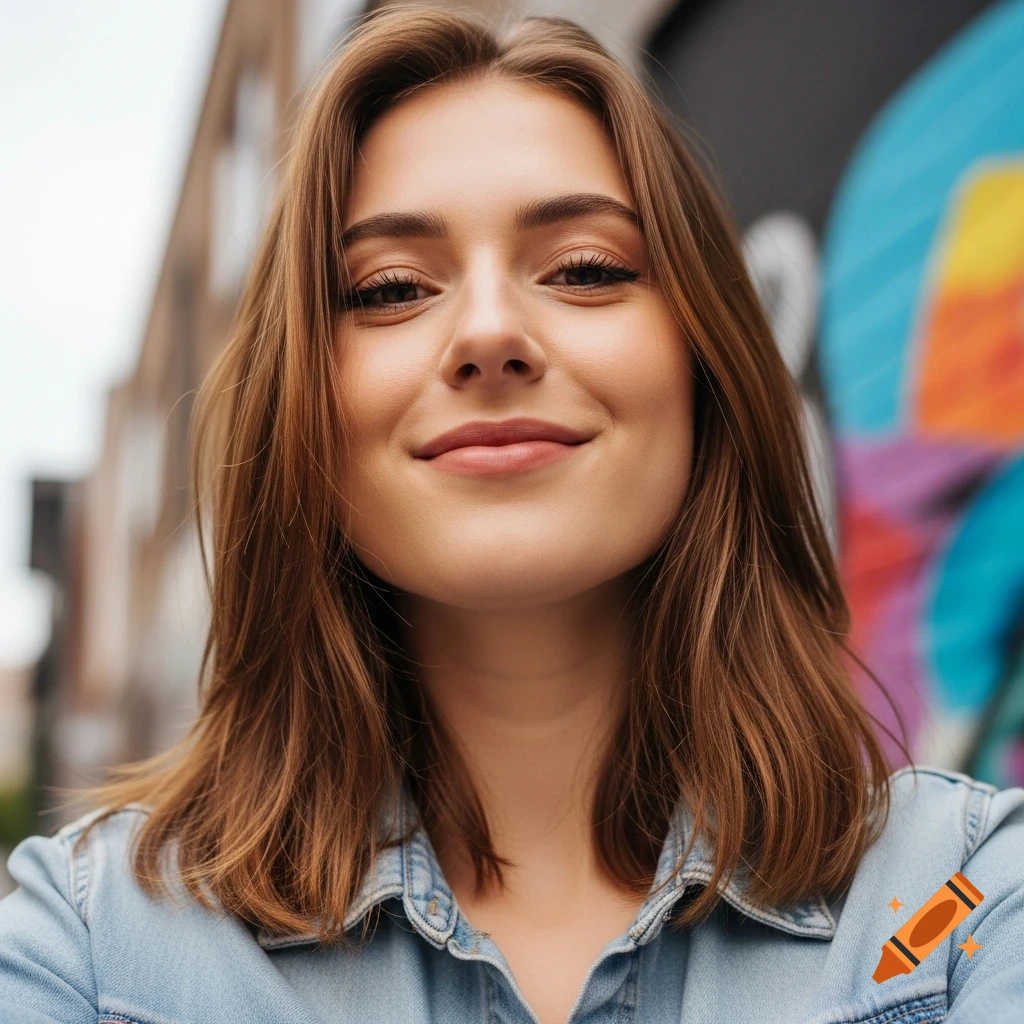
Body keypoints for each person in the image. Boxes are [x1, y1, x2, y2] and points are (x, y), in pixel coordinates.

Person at [2, 5, 1022, 1023]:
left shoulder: (966, 904)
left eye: (584, 269)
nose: (489, 332)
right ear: (301, 412)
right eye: (392, 288)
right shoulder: (91, 948)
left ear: (707, 371)